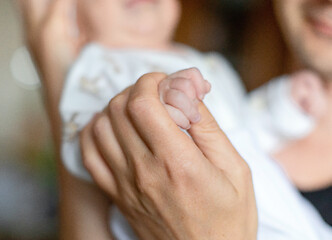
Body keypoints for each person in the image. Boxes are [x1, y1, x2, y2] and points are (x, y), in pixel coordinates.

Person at [18, 0, 332, 239]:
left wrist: (283, 108)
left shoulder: (208, 63)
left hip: (271, 203)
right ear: (74, 21)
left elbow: (246, 130)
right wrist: (161, 121)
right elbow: (83, 145)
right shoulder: (97, 68)